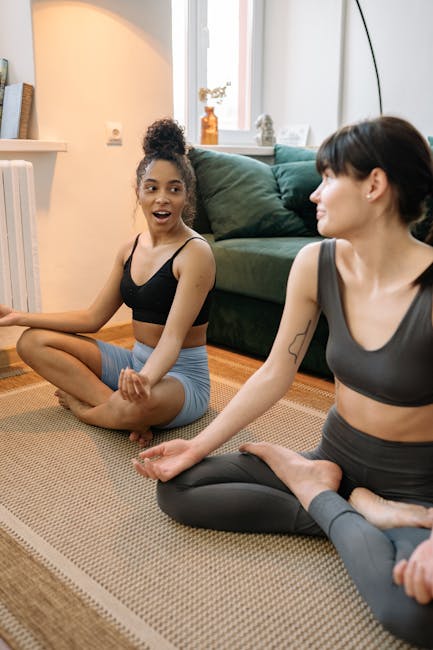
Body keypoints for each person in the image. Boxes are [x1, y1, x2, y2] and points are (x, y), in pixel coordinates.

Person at [132, 116, 433, 647]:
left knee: (413, 615)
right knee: (179, 488)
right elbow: (276, 372)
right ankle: (340, 498)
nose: (314, 193)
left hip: (414, 485)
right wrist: (196, 447)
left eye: (328, 178)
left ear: (375, 186)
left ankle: (341, 502)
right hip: (336, 454)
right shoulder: (314, 263)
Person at [0, 118, 216, 446]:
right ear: (138, 192)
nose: (163, 198)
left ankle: (89, 410)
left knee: (135, 407)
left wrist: (144, 380)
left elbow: (172, 340)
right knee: (31, 342)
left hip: (181, 377)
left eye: (174, 189)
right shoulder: (129, 248)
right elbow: (92, 318)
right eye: (152, 187)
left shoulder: (195, 253)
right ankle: (116, 408)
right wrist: (21, 316)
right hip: (132, 363)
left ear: (186, 196)